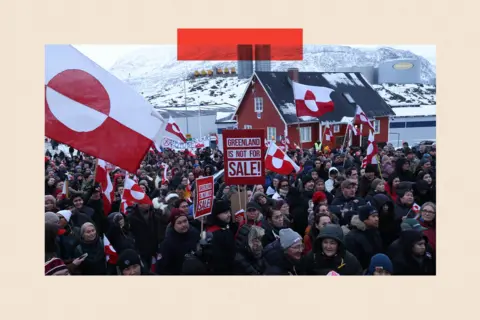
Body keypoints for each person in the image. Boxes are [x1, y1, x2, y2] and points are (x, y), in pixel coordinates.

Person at [155, 209, 200, 275]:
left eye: (185, 221)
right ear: (173, 225)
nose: (183, 225)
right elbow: (162, 268)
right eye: (179, 223)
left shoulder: (195, 233)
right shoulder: (167, 243)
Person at [344, 205, 383, 270]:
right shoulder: (351, 237)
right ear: (364, 219)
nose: (377, 219)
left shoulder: (375, 232)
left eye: (377, 216)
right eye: (373, 216)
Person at [205, 200, 236, 274]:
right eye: (225, 213)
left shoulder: (225, 227)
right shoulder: (212, 234)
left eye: (229, 212)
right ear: (216, 215)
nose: (229, 215)